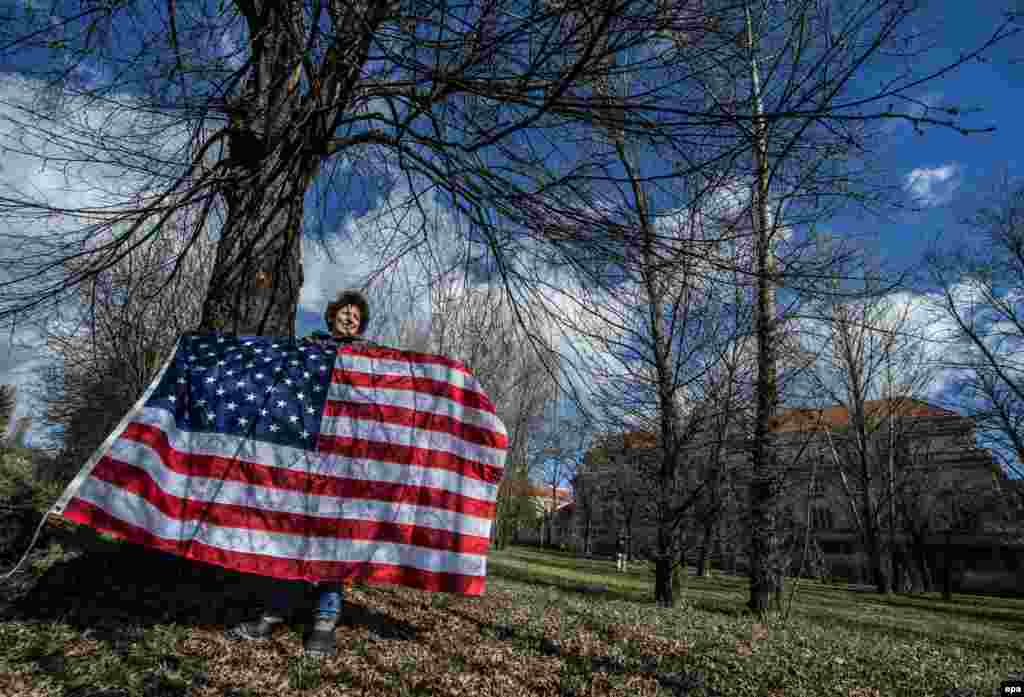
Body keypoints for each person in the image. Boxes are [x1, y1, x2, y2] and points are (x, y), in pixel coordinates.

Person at [227, 289, 372, 658]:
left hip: (345, 458)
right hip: (306, 452)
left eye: (356, 315)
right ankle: (273, 613)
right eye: (345, 312)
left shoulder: (371, 358)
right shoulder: (309, 347)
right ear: (332, 316)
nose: (350, 318)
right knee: (291, 532)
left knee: (334, 538)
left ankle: (324, 621)